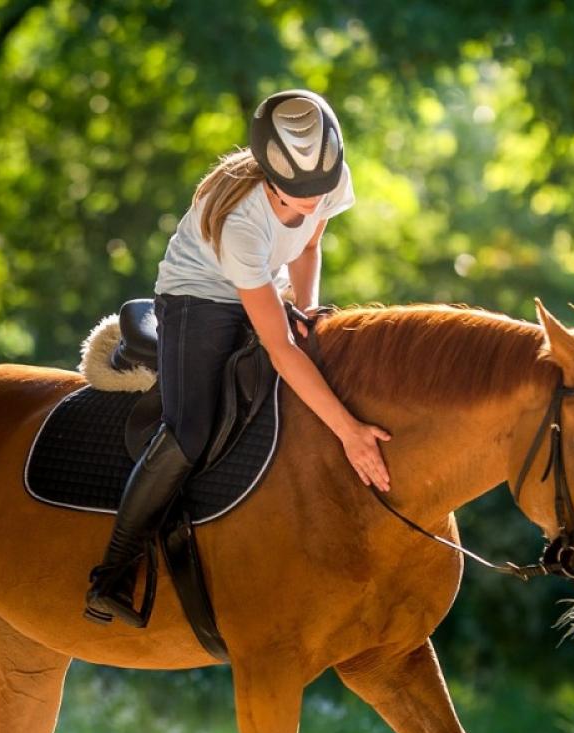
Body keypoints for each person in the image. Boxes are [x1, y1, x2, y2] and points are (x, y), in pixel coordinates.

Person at [83, 89, 393, 627]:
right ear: (272, 181)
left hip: (262, 282)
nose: (315, 205)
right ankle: (110, 573)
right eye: (302, 198)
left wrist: (310, 308)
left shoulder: (325, 180)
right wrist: (347, 431)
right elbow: (279, 348)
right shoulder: (240, 224)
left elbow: (310, 247)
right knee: (192, 432)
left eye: (322, 194)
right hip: (197, 295)